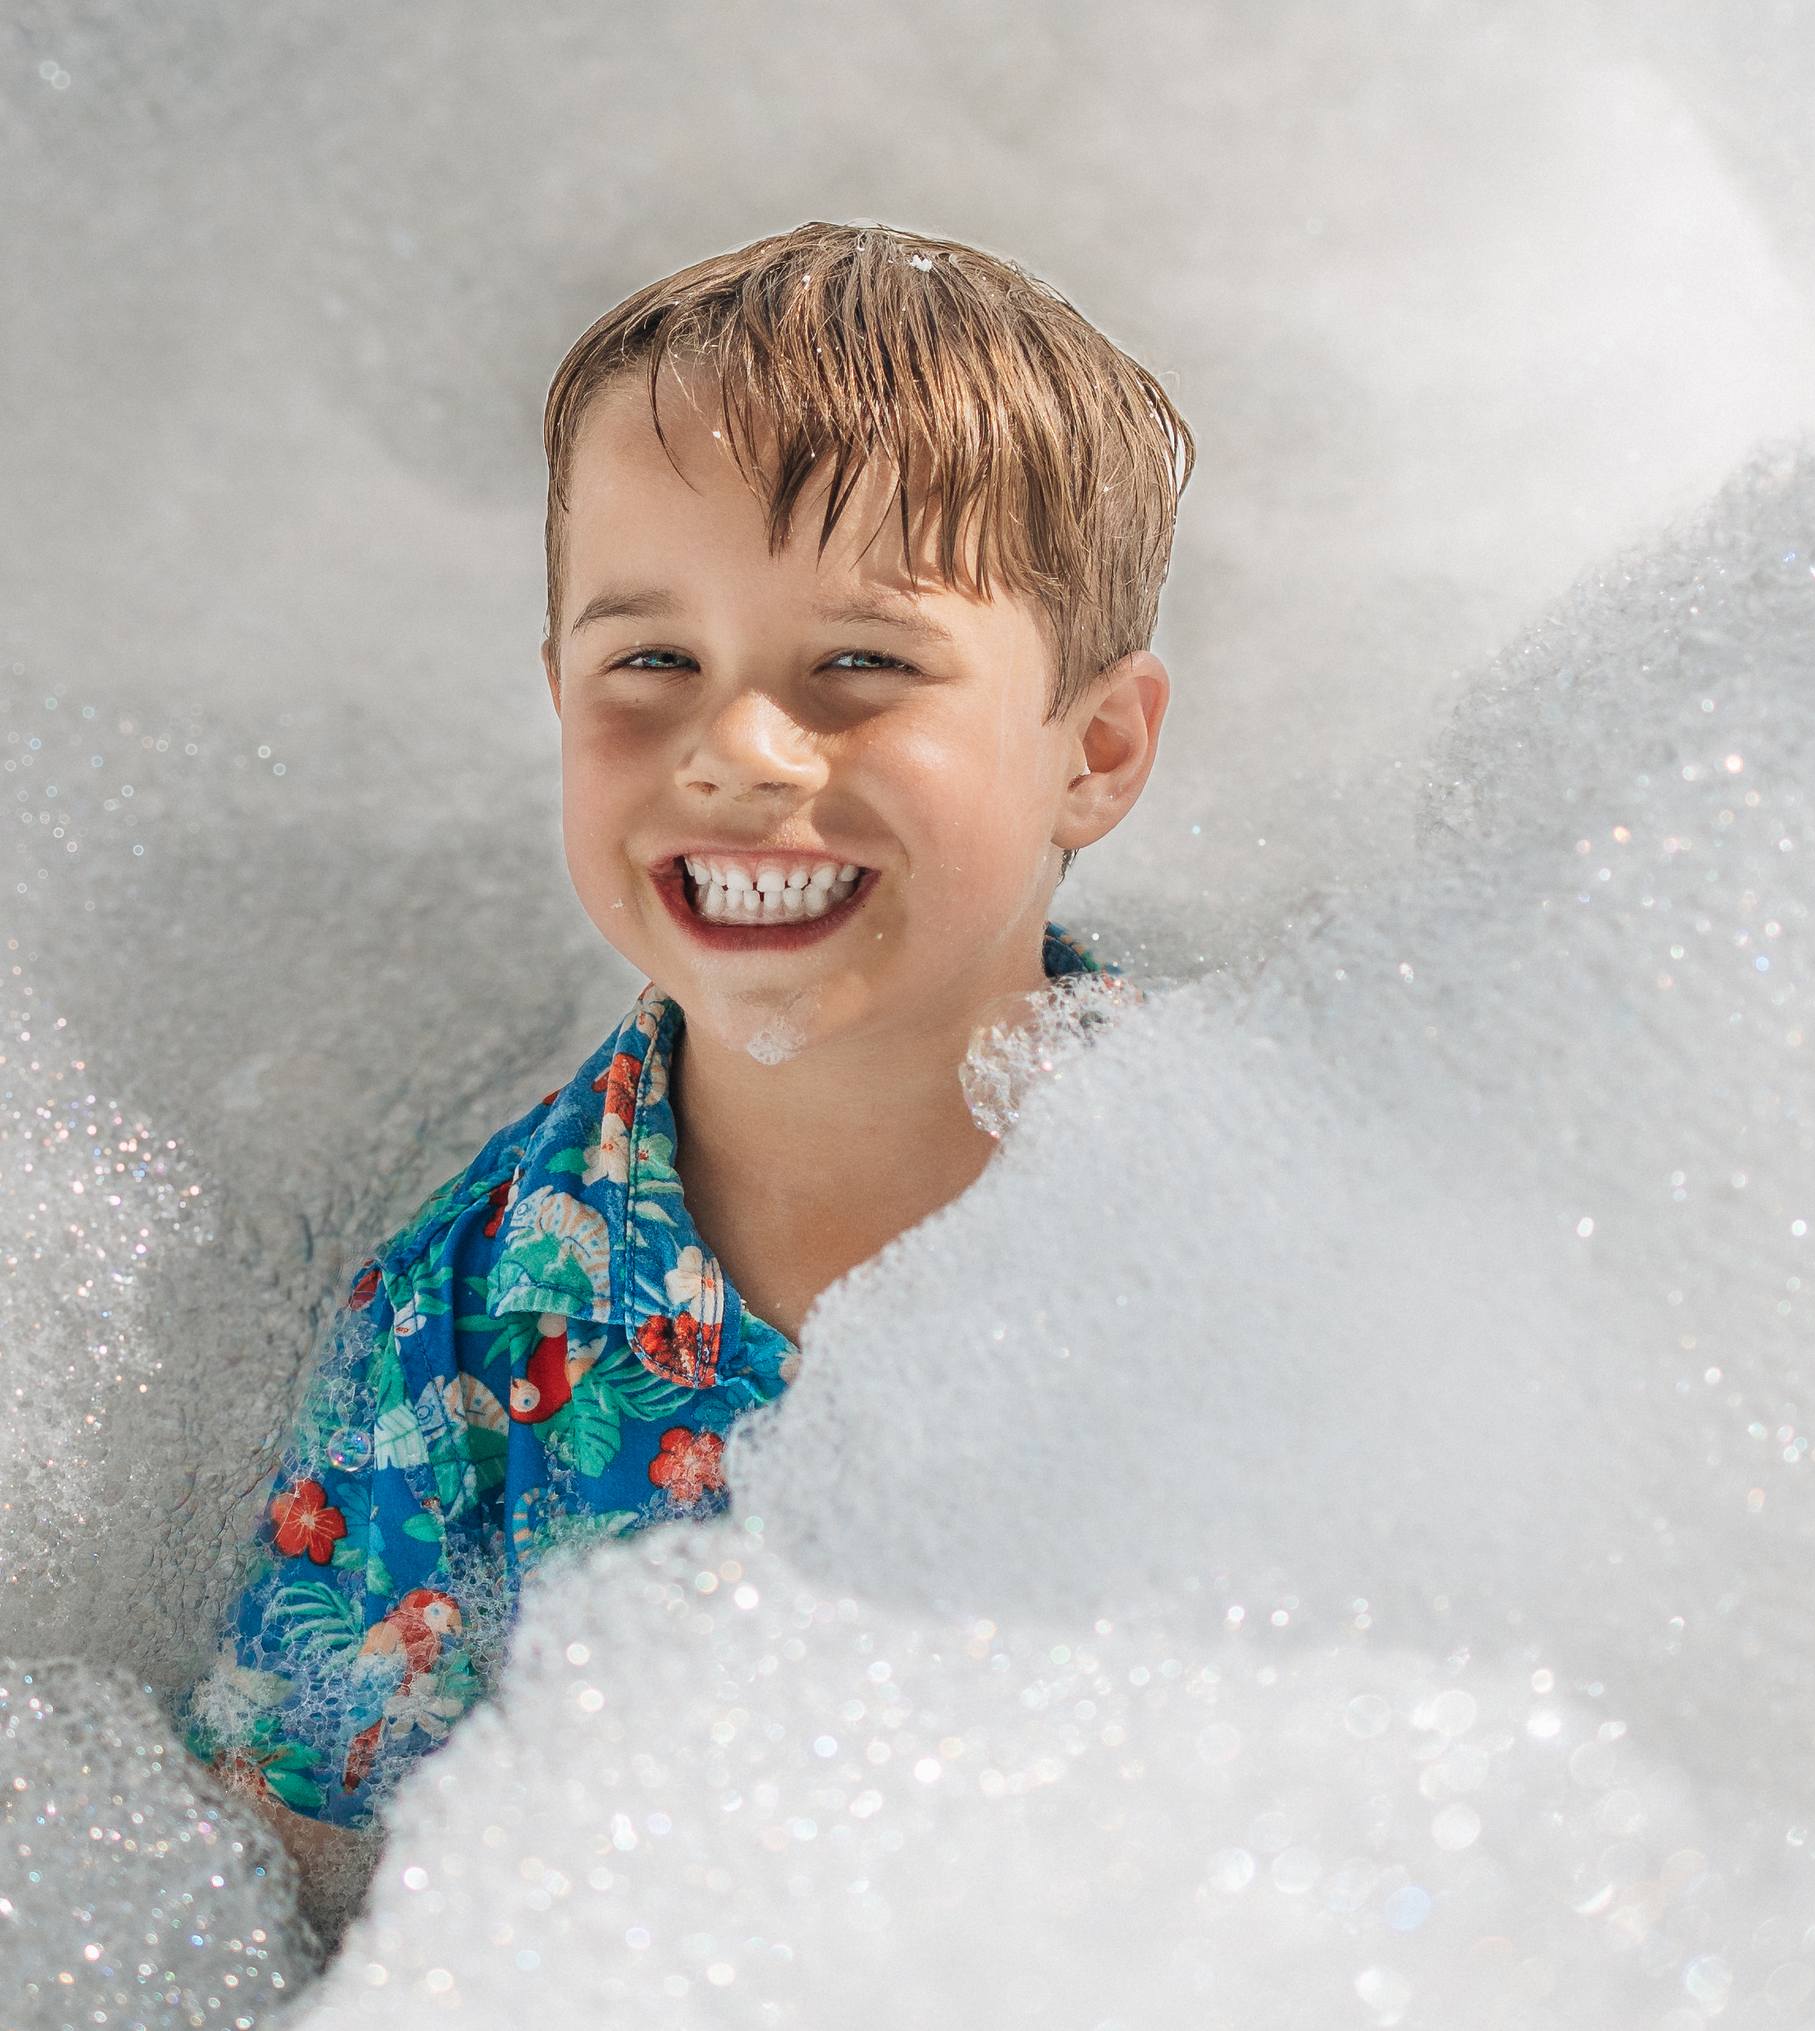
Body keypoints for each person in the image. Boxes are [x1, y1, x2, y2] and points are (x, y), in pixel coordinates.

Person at [177, 220, 1195, 1885]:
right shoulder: (461, 1333)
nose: (733, 748)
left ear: (1094, 747)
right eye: (650, 660)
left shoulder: (1258, 1207)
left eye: (859, 662)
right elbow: (299, 1875)